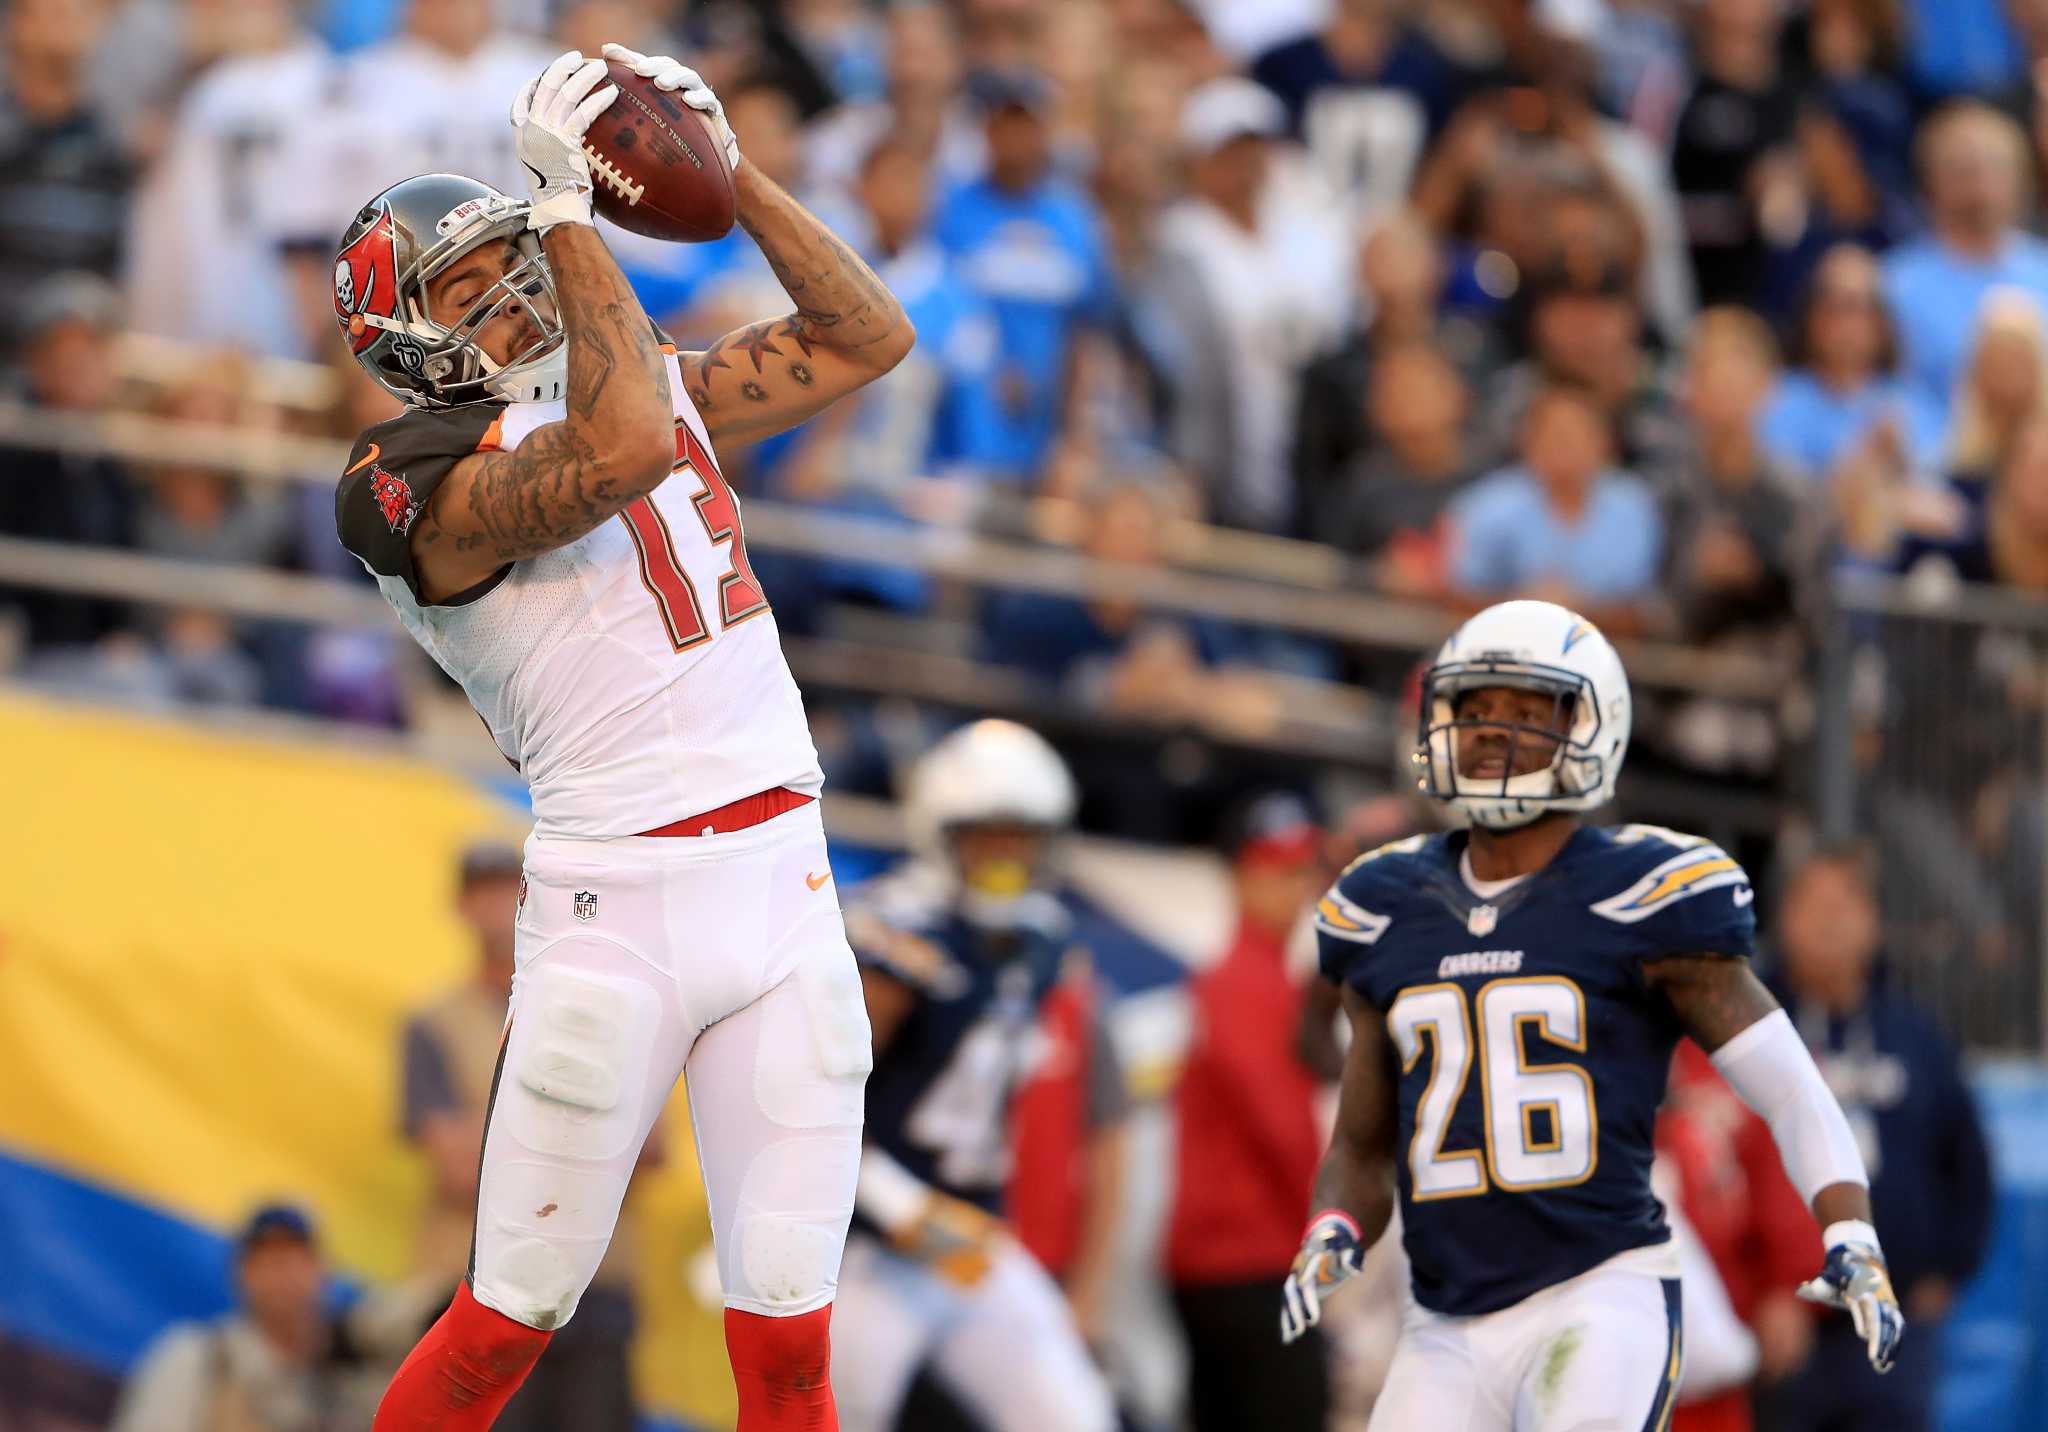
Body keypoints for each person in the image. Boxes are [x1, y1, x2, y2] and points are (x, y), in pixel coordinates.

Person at [332, 46, 913, 1430]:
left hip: (784, 877)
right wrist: (573, 215)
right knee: (500, 1327)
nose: (515, 288)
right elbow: (621, 454)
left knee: (790, 1343)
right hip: (619, 904)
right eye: (464, 290)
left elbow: (866, 337)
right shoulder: (397, 480)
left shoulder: (641, 374)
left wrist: (733, 171)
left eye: (511, 255)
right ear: (407, 343)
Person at [1278, 598, 1906, 1431]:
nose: (1495, 731)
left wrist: (1849, 1228)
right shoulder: (1385, 904)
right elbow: (1361, 1140)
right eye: (1476, 709)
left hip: (1595, 1293)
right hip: (1444, 1320)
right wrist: (1334, 1225)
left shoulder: (1642, 894)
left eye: (1528, 711)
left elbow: (1789, 1087)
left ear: (1593, 726)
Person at [832, 720, 1122, 1432]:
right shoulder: (898, 932)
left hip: (969, 1240)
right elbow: (812, 1106)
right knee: (833, 1418)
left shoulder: (1044, 937)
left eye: (1022, 837)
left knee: (1074, 1416)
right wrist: (899, 1205)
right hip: (863, 1245)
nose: (1006, 856)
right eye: (988, 835)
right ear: (943, 831)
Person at [400, 843, 651, 1430]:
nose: (495, 906)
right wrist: (583, 1140)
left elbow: (650, 1150)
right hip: (475, 1290)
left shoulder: (607, 1006)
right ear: (461, 906)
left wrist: (503, 1139)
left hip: (595, 1292)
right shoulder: (432, 1023)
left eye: (507, 888)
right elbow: (458, 1174)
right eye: (481, 890)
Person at [1755, 849, 1995, 1432]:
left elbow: (1968, 1162)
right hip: (1785, 1329)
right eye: (1814, 905)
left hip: (1895, 1322)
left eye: (1845, 905)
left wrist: (1947, 1272)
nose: (1830, 923)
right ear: (1783, 918)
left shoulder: (1916, 1034)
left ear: (1873, 922)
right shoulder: (1750, 1033)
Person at [1164, 792, 1334, 1432]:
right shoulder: (1245, 982)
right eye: (1279, 871)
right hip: (1250, 1263)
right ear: (1240, 876)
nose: (1296, 888)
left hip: (1229, 1263)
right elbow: (1284, 1132)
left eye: (1302, 871)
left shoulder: (1251, 980)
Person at [1151, 77, 1352, 534]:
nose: (1242, 165)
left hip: (1308, 450)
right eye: (1227, 151)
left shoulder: (1309, 232)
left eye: (1253, 148)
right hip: (1220, 459)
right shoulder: (1177, 241)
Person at [929, 65, 1116, 483]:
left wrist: (1076, 433)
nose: (1015, 139)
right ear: (987, 130)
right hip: (961, 436)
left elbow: (1085, 333)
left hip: (1046, 438)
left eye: (1026, 126)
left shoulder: (1074, 220)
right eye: (1004, 125)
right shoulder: (949, 211)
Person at [112, 1205, 427, 1432]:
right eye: (268, 1263)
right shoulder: (198, 1355)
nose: (283, 1276)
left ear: (323, 1271)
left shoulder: (347, 1372)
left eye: (295, 1260)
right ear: (241, 1275)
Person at [1447, 385, 1666, 633]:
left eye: (1577, 433)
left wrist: (1576, 609)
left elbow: (1641, 610)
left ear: (1605, 441)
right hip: (1504, 646)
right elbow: (1457, 599)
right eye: (1554, 434)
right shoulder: (1488, 504)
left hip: (1609, 649)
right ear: (1527, 441)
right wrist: (1528, 606)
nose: (1565, 446)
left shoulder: (1633, 506)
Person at [1882, 102, 2048, 408]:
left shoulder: (2044, 270)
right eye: (1962, 171)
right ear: (1929, 182)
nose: (1979, 186)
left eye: (1994, 167)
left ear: (2022, 179)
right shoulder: (1894, 285)